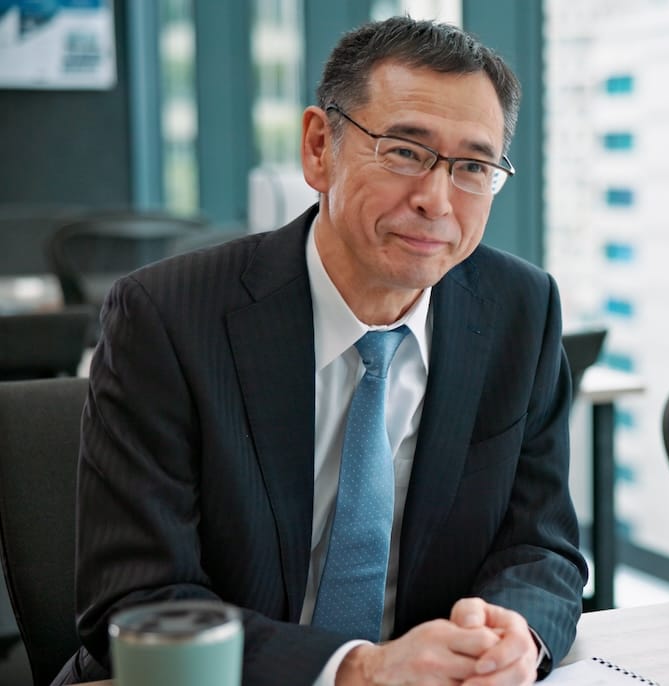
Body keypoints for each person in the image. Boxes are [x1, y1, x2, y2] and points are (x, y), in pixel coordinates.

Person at [58, 17, 586, 686]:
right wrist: (353, 671)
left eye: (473, 167)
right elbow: (137, 603)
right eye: (403, 151)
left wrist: (517, 635)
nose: (435, 200)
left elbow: (542, 545)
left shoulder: (521, 309)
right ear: (318, 148)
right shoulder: (166, 318)